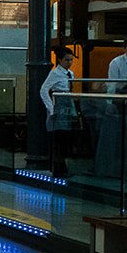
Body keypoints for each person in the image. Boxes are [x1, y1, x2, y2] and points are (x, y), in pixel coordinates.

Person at [40, 47, 78, 178]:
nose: (69, 62)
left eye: (71, 60)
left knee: (65, 138)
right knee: (58, 138)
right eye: (66, 60)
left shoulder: (70, 74)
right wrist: (51, 108)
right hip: (58, 106)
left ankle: (63, 167)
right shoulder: (55, 73)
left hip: (67, 105)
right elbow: (44, 90)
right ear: (60, 60)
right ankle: (58, 168)